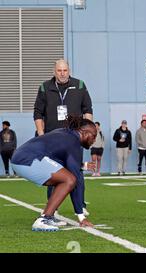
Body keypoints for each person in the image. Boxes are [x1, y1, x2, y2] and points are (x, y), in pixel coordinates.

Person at [11, 115, 97, 231]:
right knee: (69, 180)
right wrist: (81, 216)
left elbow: (60, 161)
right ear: (84, 132)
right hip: (28, 159)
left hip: (21, 158)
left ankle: (48, 216)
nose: (94, 140)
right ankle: (44, 219)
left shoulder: (65, 133)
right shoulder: (73, 142)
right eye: (94, 136)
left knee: (63, 178)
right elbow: (74, 179)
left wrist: (82, 165)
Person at [33, 59, 93, 219]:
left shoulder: (80, 85)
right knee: (53, 174)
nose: (62, 73)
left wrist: (86, 132)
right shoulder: (45, 87)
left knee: (77, 173)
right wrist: (41, 134)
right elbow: (38, 113)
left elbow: (88, 110)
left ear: (69, 70)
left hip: (74, 139)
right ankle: (53, 208)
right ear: (54, 72)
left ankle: (80, 206)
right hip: (52, 140)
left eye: (65, 70)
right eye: (59, 70)